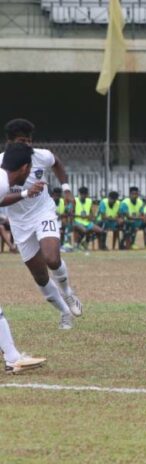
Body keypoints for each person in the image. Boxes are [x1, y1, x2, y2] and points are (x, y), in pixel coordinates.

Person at [0, 119, 82, 330]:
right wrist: (27, 192)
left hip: (43, 212)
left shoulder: (41, 155)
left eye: (29, 140)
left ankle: (69, 294)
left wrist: (66, 188)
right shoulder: (2, 165)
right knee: (40, 276)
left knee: (52, 258)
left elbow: (57, 163)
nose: (26, 145)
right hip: (19, 223)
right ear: (9, 142)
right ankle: (64, 312)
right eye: (21, 141)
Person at [0, 143, 47, 373]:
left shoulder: (2, 182)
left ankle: (12, 357)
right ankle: (12, 357)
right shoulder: (1, 182)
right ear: (25, 167)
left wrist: (26, 193)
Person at [74, 186, 104, 252]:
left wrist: (91, 217)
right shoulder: (75, 200)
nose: (84, 196)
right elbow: (71, 214)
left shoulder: (89, 201)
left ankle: (85, 242)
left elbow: (91, 214)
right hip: (77, 221)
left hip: (87, 222)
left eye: (85, 194)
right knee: (85, 230)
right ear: (79, 194)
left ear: (87, 194)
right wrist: (80, 216)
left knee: (100, 231)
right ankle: (77, 244)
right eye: (82, 194)